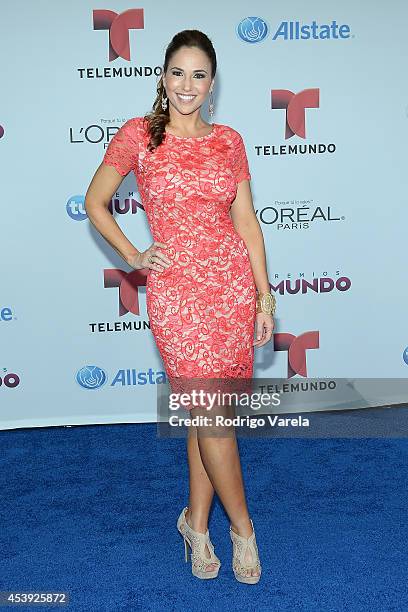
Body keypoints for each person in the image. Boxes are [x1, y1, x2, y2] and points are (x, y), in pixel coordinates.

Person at [85, 29, 275, 585]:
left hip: (232, 291)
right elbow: (96, 202)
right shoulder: (140, 136)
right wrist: (135, 255)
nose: (187, 85)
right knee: (212, 417)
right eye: (177, 72)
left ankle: (196, 525)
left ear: (212, 84)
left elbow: (247, 222)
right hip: (179, 299)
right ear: (162, 77)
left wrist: (264, 296)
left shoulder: (230, 140)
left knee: (205, 416)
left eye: (198, 75)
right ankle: (243, 530)